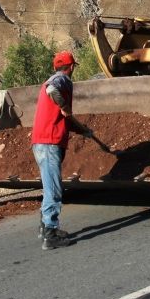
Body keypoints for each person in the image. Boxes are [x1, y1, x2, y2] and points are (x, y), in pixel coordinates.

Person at [32, 51, 92, 250]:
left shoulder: (60, 80)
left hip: (45, 141)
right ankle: (50, 234)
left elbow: (64, 118)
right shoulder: (61, 80)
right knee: (54, 190)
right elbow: (51, 88)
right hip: (49, 142)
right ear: (71, 66)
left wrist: (83, 130)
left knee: (50, 186)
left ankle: (46, 228)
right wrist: (64, 105)